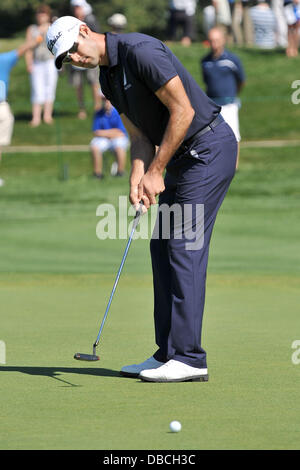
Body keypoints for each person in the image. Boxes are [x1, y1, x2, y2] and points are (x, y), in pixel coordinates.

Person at [47, 16, 238, 383]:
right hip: (182, 156)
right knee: (162, 245)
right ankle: (168, 353)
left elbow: (184, 111)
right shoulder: (107, 79)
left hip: (208, 149)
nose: (75, 57)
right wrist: (139, 173)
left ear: (85, 31)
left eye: (73, 48)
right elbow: (138, 137)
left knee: (184, 244)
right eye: (66, 58)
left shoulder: (141, 51)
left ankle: (190, 358)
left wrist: (157, 171)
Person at [0, 36, 43, 186]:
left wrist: (39, 38)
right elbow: (23, 48)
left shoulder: (3, 60)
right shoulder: (3, 60)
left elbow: (22, 49)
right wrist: (39, 37)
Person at [201, 26, 245, 168]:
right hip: (212, 104)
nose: (214, 44)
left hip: (229, 103)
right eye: (211, 41)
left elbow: (241, 80)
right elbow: (206, 81)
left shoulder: (232, 59)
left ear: (223, 40)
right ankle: (215, 163)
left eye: (216, 40)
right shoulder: (205, 61)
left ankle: (234, 166)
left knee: (234, 134)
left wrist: (233, 95)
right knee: (211, 135)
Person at [25, 4, 58, 127]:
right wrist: (29, 64)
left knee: (50, 88)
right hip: (37, 62)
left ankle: (47, 116)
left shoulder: (52, 27)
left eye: (43, 14)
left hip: (50, 61)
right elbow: (28, 48)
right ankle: (36, 118)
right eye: (39, 14)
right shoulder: (32, 29)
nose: (40, 16)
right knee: (37, 90)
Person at [69, 0, 101, 118]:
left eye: (78, 7)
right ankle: (81, 109)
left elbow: (97, 36)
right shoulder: (71, 22)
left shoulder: (90, 20)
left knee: (94, 82)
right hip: (76, 56)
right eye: (75, 8)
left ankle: (97, 107)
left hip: (90, 55)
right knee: (78, 84)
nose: (77, 10)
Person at [90, 94, 128, 179]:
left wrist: (105, 133)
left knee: (119, 146)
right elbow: (96, 132)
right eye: (104, 100)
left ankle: (120, 172)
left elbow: (121, 132)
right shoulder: (98, 113)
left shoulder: (119, 112)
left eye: (107, 100)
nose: (106, 102)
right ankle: (97, 174)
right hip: (104, 139)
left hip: (118, 138)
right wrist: (112, 133)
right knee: (94, 146)